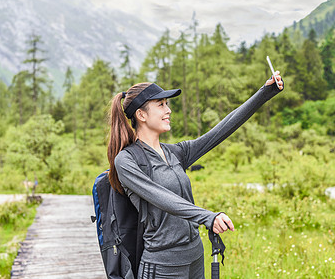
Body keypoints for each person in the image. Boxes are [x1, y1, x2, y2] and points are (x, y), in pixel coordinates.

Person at [108, 72, 283, 279]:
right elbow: (163, 198)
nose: (168, 110)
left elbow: (223, 129)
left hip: (195, 258)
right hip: (162, 266)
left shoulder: (175, 153)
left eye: (167, 104)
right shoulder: (127, 161)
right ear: (141, 115)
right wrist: (208, 217)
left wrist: (266, 91)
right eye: (161, 105)